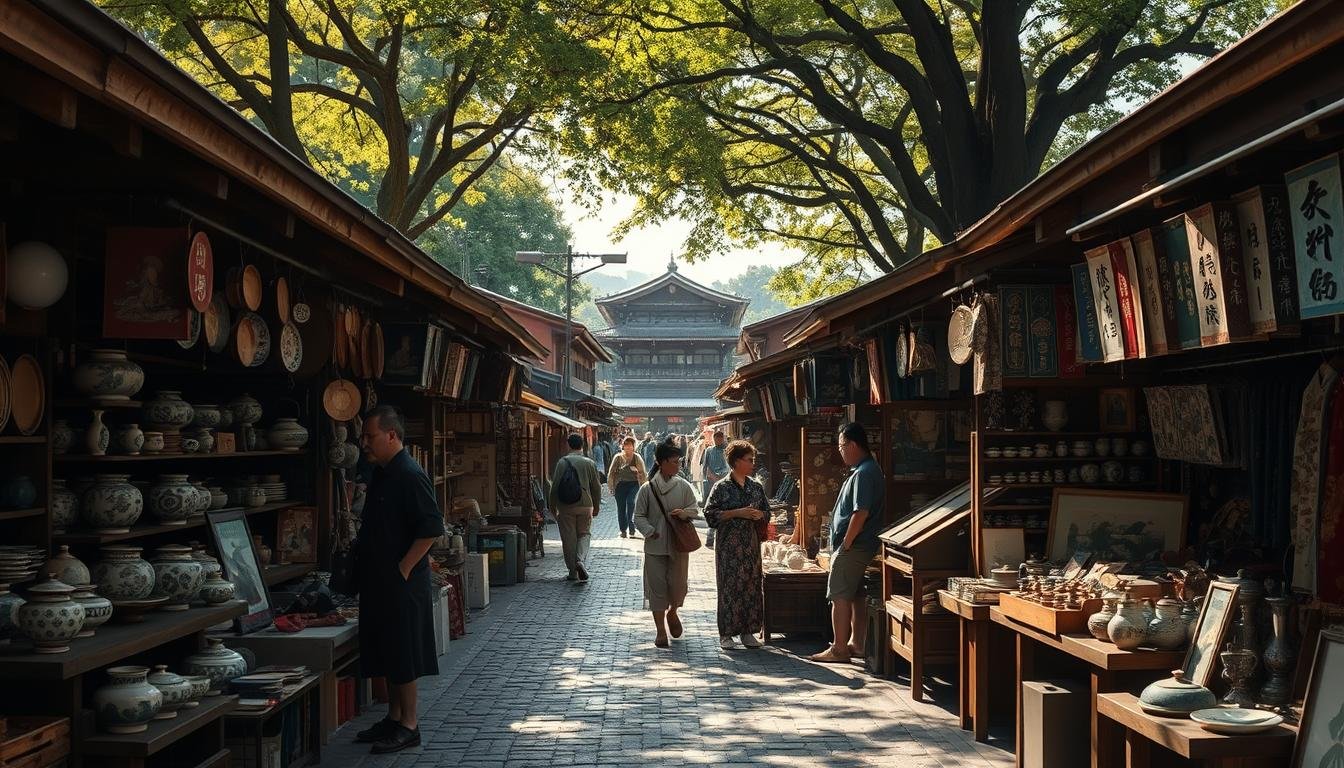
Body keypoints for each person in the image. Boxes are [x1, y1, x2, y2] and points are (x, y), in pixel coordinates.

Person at [353, 405, 444, 754]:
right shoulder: (383, 471)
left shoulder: (408, 473)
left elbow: (431, 527)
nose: (364, 443)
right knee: (388, 650)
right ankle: (393, 717)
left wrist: (404, 568)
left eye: (370, 436)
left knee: (403, 654)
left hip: (401, 581)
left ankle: (409, 724)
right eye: (363, 437)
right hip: (381, 580)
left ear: (391, 435)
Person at [810, 423, 885, 663]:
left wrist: (846, 544)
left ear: (853, 445)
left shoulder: (864, 473)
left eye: (842, 446)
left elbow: (860, 513)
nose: (840, 451)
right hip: (861, 545)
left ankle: (839, 648)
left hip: (855, 545)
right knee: (856, 595)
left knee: (839, 595)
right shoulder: (865, 469)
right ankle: (856, 643)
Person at [703, 439, 769, 650]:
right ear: (737, 461)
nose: (752, 464)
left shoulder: (756, 487)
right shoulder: (721, 487)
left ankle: (748, 632)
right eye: (749, 460)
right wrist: (736, 513)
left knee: (751, 587)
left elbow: (767, 513)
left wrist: (760, 515)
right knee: (729, 589)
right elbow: (710, 515)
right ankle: (727, 634)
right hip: (728, 549)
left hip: (750, 547)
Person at [633, 441, 700, 647]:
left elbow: (694, 509)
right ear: (662, 463)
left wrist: (683, 513)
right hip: (655, 546)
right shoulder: (647, 489)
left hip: (679, 545)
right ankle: (660, 631)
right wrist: (650, 531)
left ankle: (673, 612)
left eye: (678, 461)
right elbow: (638, 516)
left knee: (678, 586)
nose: (678, 465)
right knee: (657, 588)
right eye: (673, 462)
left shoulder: (683, 486)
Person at [548, 433, 603, 582]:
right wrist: (596, 506)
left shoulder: (562, 462)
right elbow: (597, 487)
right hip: (585, 505)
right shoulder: (589, 463)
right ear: (582, 445)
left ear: (568, 445)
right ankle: (580, 560)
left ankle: (573, 572)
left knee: (569, 538)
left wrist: (552, 507)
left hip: (565, 507)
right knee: (584, 534)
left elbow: (554, 487)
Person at [608, 436, 647, 538]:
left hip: (633, 485)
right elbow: (611, 473)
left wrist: (638, 474)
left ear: (634, 447)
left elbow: (643, 473)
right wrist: (611, 486)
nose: (628, 447)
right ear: (623, 446)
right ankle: (623, 530)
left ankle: (631, 526)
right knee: (621, 508)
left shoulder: (637, 458)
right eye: (626, 445)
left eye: (630, 445)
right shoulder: (618, 457)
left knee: (630, 502)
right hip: (620, 485)